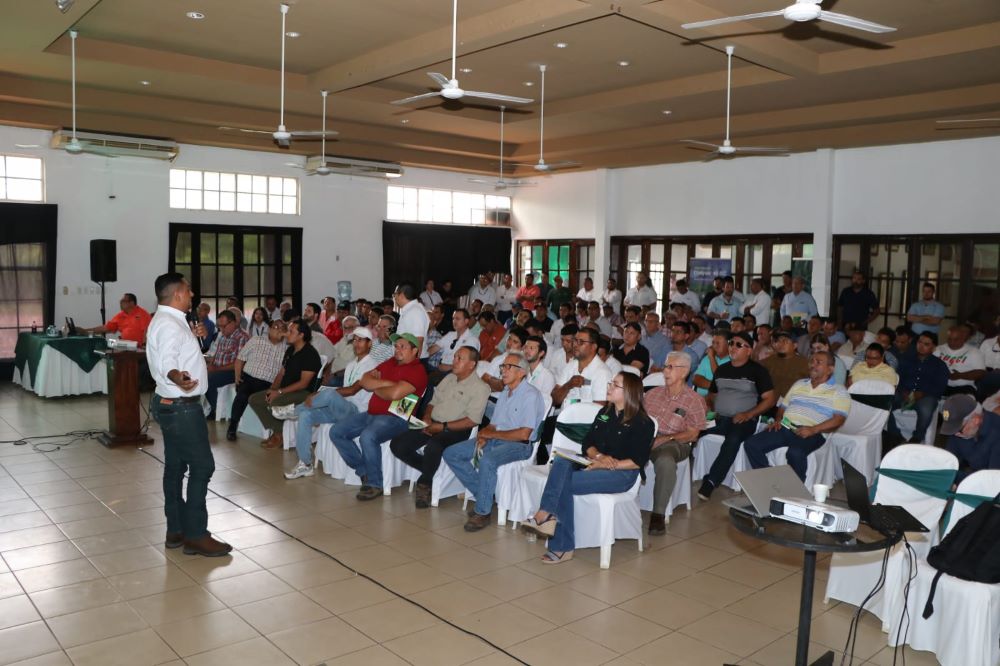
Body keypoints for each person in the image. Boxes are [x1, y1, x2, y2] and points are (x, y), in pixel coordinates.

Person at [146, 272, 231, 557]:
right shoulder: (170, 325)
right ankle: (196, 534)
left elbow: (176, 353)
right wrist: (178, 377)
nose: (192, 295)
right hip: (181, 406)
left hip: (170, 404)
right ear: (178, 294)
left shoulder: (170, 321)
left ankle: (176, 529)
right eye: (189, 290)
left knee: (175, 466)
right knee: (203, 466)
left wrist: (197, 341)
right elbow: (168, 361)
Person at [528, 372, 654, 563]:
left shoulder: (643, 423)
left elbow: (638, 460)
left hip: (621, 473)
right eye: (610, 382)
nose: (609, 386)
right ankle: (547, 515)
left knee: (564, 482)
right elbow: (587, 443)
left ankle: (555, 533)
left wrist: (610, 464)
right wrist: (599, 457)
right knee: (561, 461)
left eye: (615, 384)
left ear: (629, 392)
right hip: (596, 462)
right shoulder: (605, 413)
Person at [444, 352, 546, 531]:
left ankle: (482, 512)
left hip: (519, 446)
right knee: (452, 453)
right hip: (497, 439)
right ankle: (485, 495)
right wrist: (484, 435)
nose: (503, 371)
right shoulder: (506, 392)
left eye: (508, 367)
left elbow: (523, 434)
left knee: (488, 460)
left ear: (522, 372)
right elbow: (493, 425)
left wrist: (492, 435)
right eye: (502, 367)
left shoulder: (531, 395)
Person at [329, 332, 429, 500]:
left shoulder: (417, 371)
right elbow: (364, 380)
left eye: (403, 347)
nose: (397, 349)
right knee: (336, 431)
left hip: (397, 417)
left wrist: (377, 386)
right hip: (372, 413)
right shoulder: (390, 362)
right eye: (396, 346)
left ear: (415, 351)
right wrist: (387, 384)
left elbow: (395, 394)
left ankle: (375, 484)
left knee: (368, 436)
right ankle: (364, 472)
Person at [390, 346, 490, 507]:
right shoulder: (449, 378)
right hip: (433, 422)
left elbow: (472, 420)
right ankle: (430, 468)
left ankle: (425, 482)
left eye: (460, 358)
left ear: (472, 364)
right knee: (397, 445)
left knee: (434, 446)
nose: (454, 361)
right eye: (455, 356)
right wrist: (428, 417)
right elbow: (432, 402)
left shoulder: (481, 388)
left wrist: (442, 427)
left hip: (456, 429)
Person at [283, 327, 377, 479]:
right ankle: (305, 464)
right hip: (342, 408)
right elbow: (344, 392)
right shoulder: (352, 365)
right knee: (306, 415)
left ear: (370, 344)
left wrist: (321, 394)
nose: (356, 343)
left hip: (358, 412)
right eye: (355, 340)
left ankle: (293, 411)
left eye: (361, 340)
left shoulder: (373, 365)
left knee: (329, 394)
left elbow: (352, 391)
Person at [744, 351, 850, 481]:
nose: (812, 365)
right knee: (751, 444)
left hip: (813, 432)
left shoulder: (839, 390)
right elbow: (783, 408)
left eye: (818, 362)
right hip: (786, 426)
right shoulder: (799, 384)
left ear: (830, 369)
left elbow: (839, 419)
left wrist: (813, 429)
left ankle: (795, 494)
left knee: (795, 453)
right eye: (811, 361)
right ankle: (768, 482)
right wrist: (778, 420)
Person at [697, 331, 777, 499]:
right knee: (694, 430)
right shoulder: (721, 370)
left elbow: (770, 400)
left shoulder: (758, 371)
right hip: (720, 419)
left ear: (749, 350)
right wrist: (710, 410)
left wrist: (748, 414)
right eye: (732, 343)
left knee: (732, 440)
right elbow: (711, 395)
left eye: (739, 345)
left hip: (745, 420)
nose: (733, 347)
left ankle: (711, 481)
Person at [643, 352, 707, 535]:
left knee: (665, 460)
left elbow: (693, 434)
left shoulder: (694, 400)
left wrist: (666, 438)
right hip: (647, 437)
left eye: (671, 367)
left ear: (684, 371)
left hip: (676, 442)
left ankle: (658, 514)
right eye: (665, 366)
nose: (665, 371)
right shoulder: (652, 394)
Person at [247, 318, 321, 449]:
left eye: (291, 331)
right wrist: (272, 389)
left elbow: (304, 384)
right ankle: (278, 432)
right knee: (255, 399)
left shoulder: (310, 354)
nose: (287, 333)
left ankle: (278, 435)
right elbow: (281, 373)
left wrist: (279, 392)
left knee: (275, 401)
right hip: (285, 390)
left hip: (303, 393)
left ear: (301, 335)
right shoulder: (291, 350)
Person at [227, 319, 287, 441]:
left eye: (282, 328)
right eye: (275, 327)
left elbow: (283, 372)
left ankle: (274, 432)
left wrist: (275, 387)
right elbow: (240, 359)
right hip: (248, 378)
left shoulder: (286, 349)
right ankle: (233, 426)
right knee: (242, 395)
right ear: (269, 329)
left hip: (269, 384)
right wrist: (237, 376)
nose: (278, 330)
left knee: (267, 398)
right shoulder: (256, 340)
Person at [886, 332, 950, 446]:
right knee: (885, 401)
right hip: (904, 393)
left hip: (926, 396)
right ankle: (894, 434)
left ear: (934, 347)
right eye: (920, 342)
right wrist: (903, 391)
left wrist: (923, 393)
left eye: (926, 344)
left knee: (926, 408)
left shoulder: (940, 365)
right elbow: (897, 378)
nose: (921, 346)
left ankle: (917, 437)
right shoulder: (905, 359)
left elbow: (940, 386)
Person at [203, 310, 249, 420]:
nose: (221, 329)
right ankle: (213, 408)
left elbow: (239, 364)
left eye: (224, 326)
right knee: (200, 376)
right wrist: (211, 365)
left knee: (209, 379)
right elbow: (216, 355)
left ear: (234, 323)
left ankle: (219, 411)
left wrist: (216, 369)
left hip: (234, 372)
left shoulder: (242, 337)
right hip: (219, 369)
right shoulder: (223, 336)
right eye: (219, 326)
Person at [941, 394, 1000, 479]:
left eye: (958, 429)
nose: (955, 434)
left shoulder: (997, 434)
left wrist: (957, 482)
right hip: (976, 476)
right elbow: (948, 464)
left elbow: (993, 480)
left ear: (976, 420)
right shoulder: (960, 431)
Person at [552, 327, 612, 408]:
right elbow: (554, 400)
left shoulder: (602, 372)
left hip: (584, 419)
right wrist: (568, 385)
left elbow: (599, 409)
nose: (575, 345)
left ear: (593, 346)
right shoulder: (570, 365)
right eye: (575, 340)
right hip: (564, 416)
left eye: (581, 342)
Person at [79, 292, 152, 344]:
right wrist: (85, 331)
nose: (120, 303)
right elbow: (106, 327)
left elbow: (148, 332)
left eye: (123, 301)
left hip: (139, 350)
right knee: (106, 346)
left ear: (131, 303)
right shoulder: (120, 315)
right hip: (125, 347)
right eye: (120, 301)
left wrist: (144, 347)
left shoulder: (142, 314)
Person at [935, 324, 986, 396]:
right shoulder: (938, 349)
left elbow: (981, 373)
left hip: (964, 388)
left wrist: (960, 375)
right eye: (950, 339)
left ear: (963, 338)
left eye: (956, 339)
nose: (952, 342)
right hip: (940, 385)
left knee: (961, 405)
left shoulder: (974, 352)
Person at [428, 308, 480, 375]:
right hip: (440, 368)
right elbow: (433, 349)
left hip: (455, 372)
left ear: (466, 321)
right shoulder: (450, 334)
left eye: (457, 319)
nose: (454, 321)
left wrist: (450, 367)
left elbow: (468, 364)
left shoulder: (472, 340)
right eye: (453, 318)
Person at [761, 331, 810, 399]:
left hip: (793, 402)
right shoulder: (768, 361)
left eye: (785, 341)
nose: (780, 344)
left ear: (795, 345)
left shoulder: (805, 363)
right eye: (778, 341)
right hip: (770, 401)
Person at [394, 282, 430, 359]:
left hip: (412, 361)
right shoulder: (410, 310)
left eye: (395, 294)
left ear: (402, 295)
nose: (394, 297)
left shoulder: (415, 311)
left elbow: (418, 340)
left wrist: (413, 365)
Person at [692, 330, 731, 397]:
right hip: (699, 400)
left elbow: (719, 378)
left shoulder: (733, 361)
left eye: (718, 343)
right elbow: (696, 379)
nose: (714, 346)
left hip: (719, 402)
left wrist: (711, 358)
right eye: (713, 342)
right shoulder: (707, 358)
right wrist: (715, 387)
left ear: (728, 344)